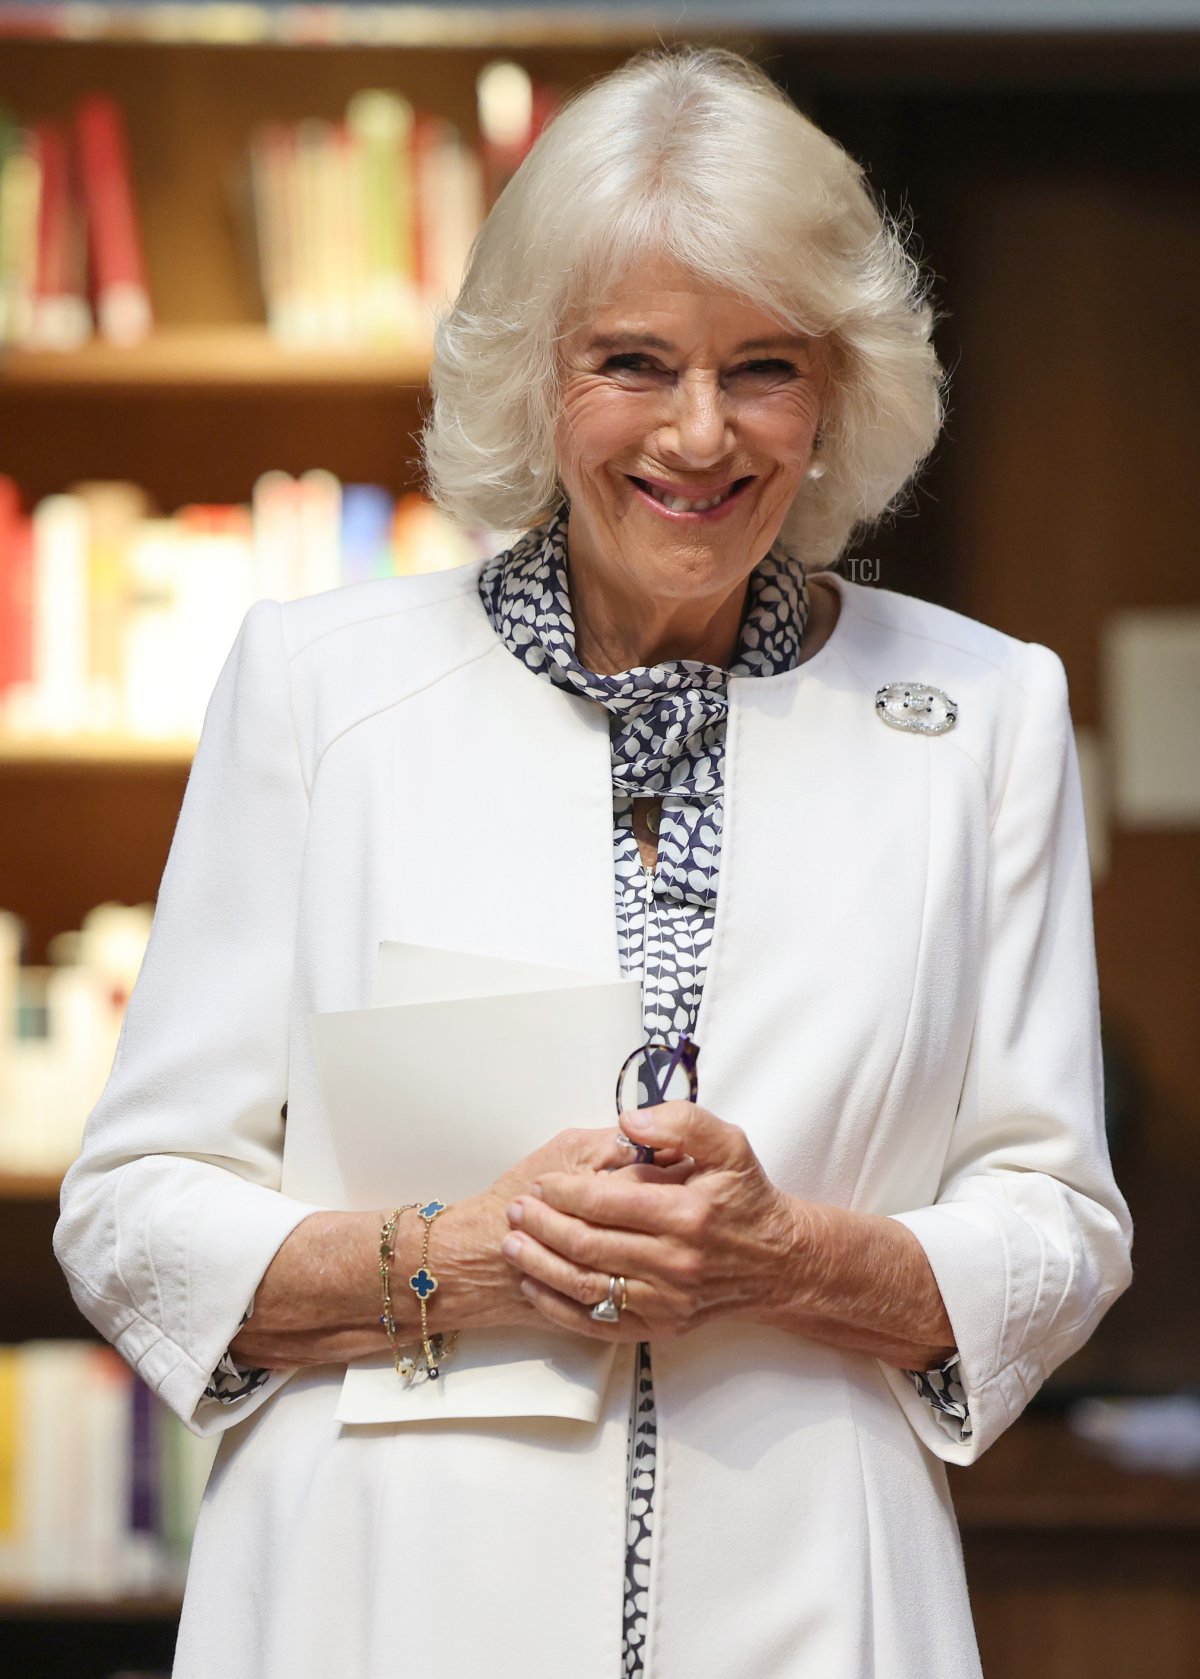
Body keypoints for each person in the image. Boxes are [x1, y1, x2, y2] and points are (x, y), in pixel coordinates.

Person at [54, 47, 1132, 1679]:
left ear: (837, 388)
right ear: (533, 379)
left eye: (763, 367)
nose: (700, 434)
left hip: (813, 1597)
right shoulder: (318, 687)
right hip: (379, 1599)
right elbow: (134, 1212)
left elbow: (1058, 1223)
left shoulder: (987, 713)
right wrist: (451, 1256)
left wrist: (793, 1259)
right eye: (633, 361)